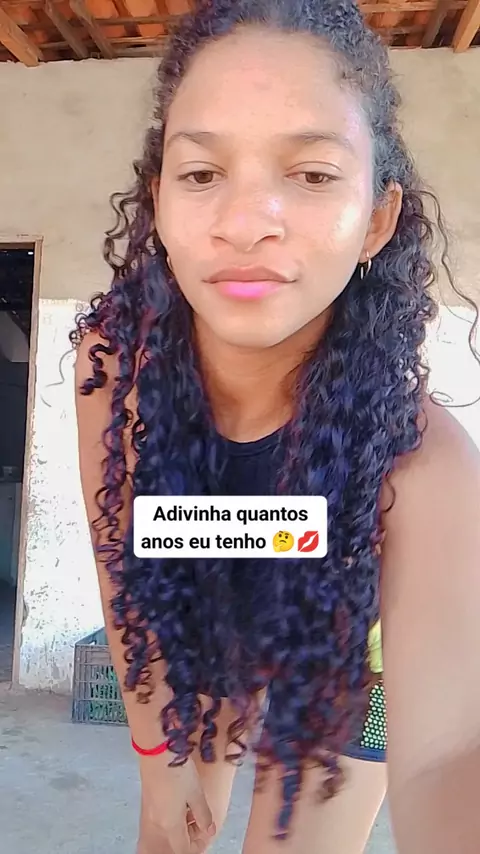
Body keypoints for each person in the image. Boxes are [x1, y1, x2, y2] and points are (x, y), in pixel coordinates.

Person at [72, 1, 480, 852]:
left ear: (376, 221)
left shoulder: (423, 462)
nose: (247, 221)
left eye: (313, 174)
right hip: (213, 621)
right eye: (201, 173)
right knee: (169, 834)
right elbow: (126, 568)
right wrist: (158, 757)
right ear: (158, 203)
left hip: (348, 665)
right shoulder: (116, 369)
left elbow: (448, 754)